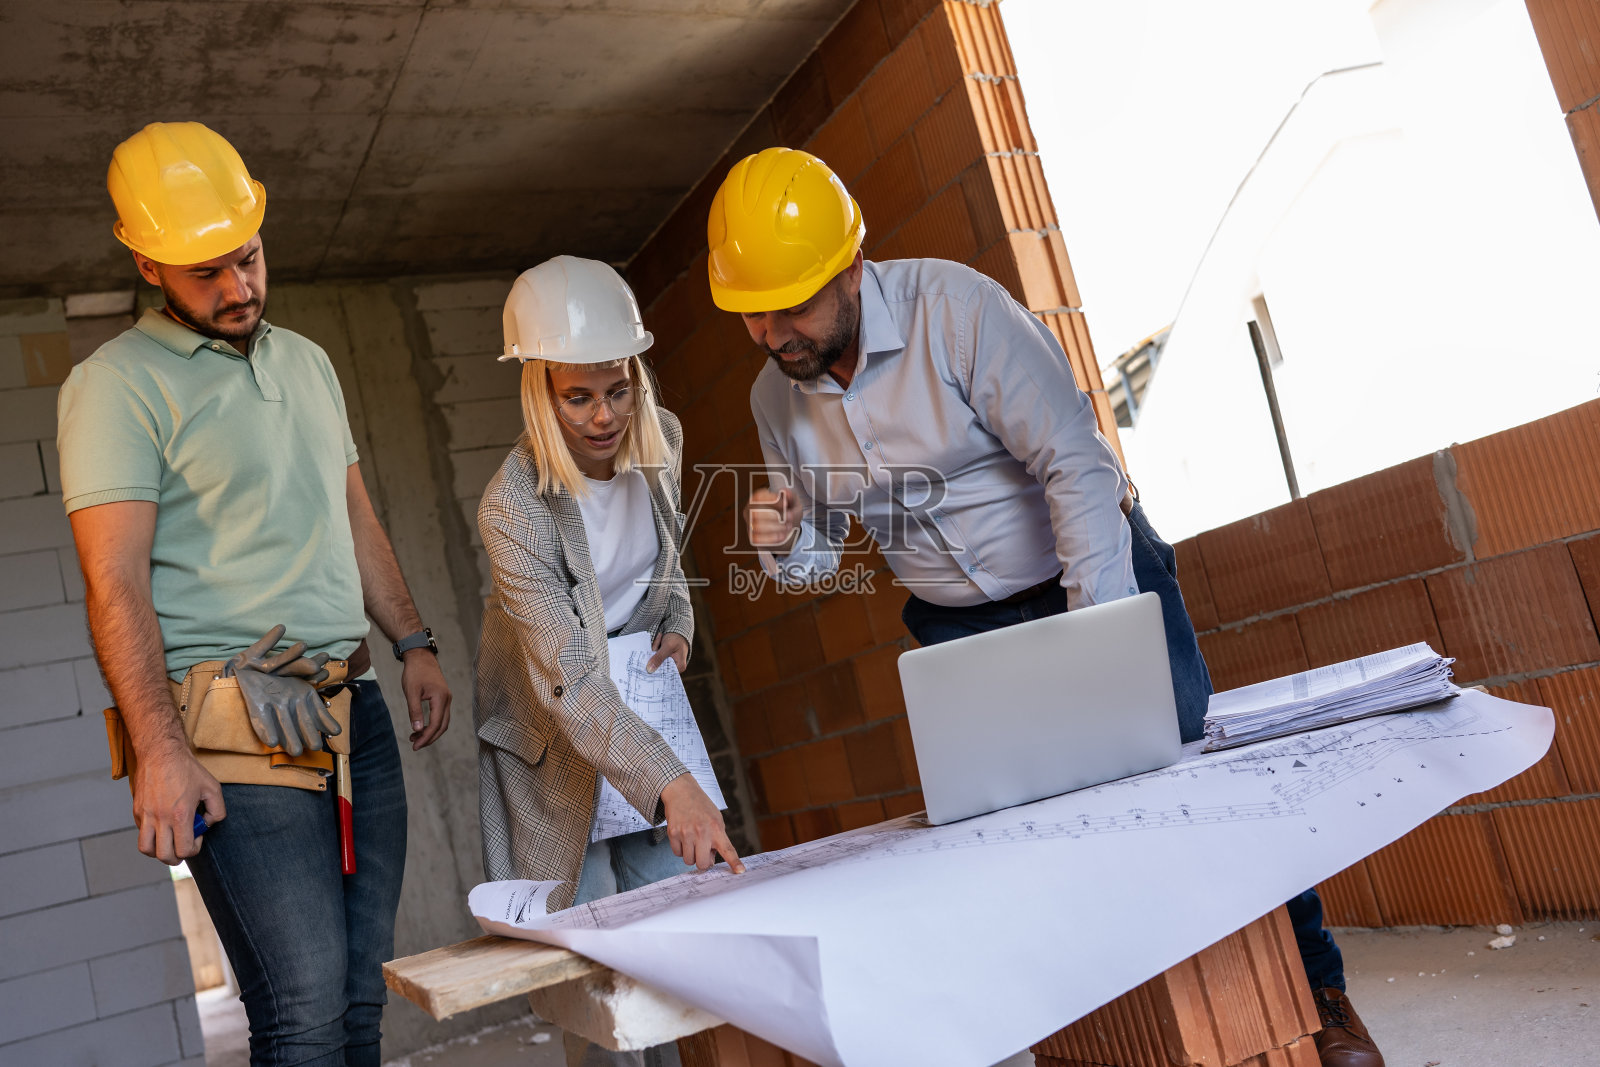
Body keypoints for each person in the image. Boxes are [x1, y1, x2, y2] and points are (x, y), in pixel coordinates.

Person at [709, 147, 1384, 1067]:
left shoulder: (959, 312)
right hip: (957, 626)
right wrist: (787, 542)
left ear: (852, 269)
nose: (773, 332)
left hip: (1095, 567)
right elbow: (823, 550)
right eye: (753, 312)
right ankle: (1101, 1040)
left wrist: (1094, 635)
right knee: (1014, 836)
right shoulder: (773, 400)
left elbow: (1073, 461)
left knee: (1190, 779)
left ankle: (1321, 993)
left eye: (792, 305)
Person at [58, 121, 452, 1066]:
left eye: (248, 258)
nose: (239, 288)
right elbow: (113, 585)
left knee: (360, 1003)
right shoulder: (114, 386)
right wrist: (158, 748)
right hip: (235, 724)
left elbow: (352, 513)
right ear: (148, 263)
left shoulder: (308, 362)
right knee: (303, 1012)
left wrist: (414, 640)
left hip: (351, 711)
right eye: (208, 273)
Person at [474, 256, 744, 1067]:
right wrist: (674, 782)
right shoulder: (513, 507)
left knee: (677, 959)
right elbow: (569, 681)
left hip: (643, 714)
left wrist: (682, 622)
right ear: (539, 389)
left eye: (618, 388)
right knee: (601, 1002)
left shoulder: (662, 445)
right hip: (559, 741)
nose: (604, 416)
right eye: (578, 396)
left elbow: (666, 565)